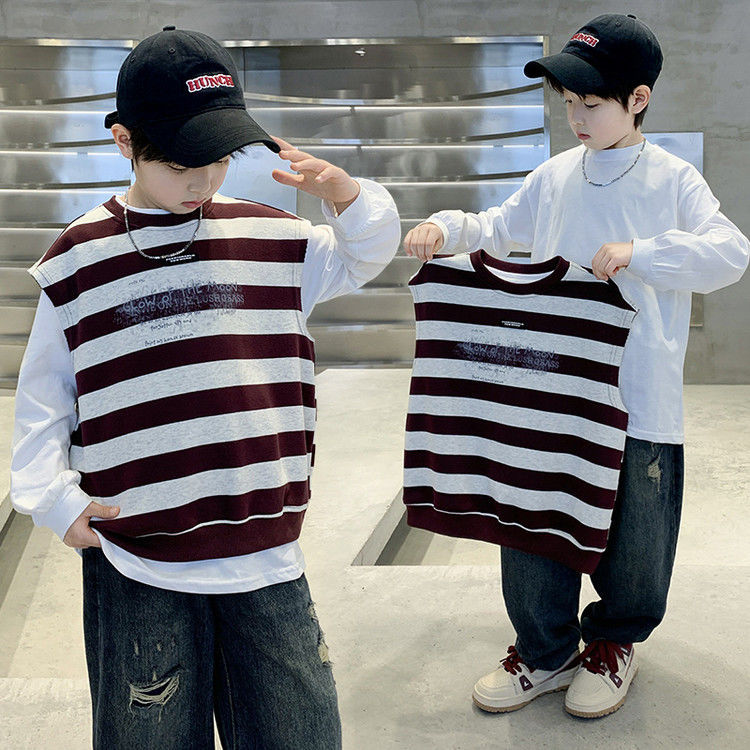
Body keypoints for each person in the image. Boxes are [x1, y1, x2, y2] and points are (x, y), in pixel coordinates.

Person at [10, 26, 399, 749]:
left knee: (300, 731)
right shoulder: (78, 258)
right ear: (125, 142)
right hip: (138, 555)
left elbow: (365, 255)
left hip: (263, 548)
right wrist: (54, 501)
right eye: (183, 163)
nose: (204, 180)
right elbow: (44, 397)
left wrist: (345, 194)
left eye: (220, 158)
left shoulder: (272, 238)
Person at [403, 13, 748, 719]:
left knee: (636, 537)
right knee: (536, 520)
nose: (577, 118)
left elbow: (729, 253)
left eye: (591, 103)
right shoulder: (557, 174)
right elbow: (499, 226)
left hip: (637, 394)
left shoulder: (672, 179)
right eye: (568, 103)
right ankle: (545, 650)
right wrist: (447, 227)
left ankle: (615, 642)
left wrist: (643, 252)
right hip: (549, 392)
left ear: (638, 99)